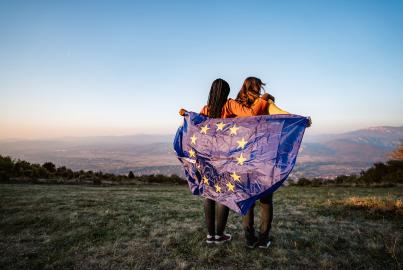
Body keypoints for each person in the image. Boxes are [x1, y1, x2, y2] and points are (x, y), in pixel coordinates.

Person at [179, 78, 269, 244]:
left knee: (209, 193)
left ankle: (210, 235)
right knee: (223, 194)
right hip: (225, 158)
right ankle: (219, 235)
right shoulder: (229, 105)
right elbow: (251, 114)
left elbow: (197, 126)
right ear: (225, 92)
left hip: (207, 158)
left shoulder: (205, 109)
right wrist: (263, 100)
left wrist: (187, 114)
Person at [236, 76, 311, 249]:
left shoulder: (237, 106)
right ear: (258, 87)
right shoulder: (266, 104)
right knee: (265, 201)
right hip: (263, 159)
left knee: (247, 199)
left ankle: (249, 239)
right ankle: (263, 239)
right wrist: (303, 120)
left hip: (242, 160)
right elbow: (285, 115)